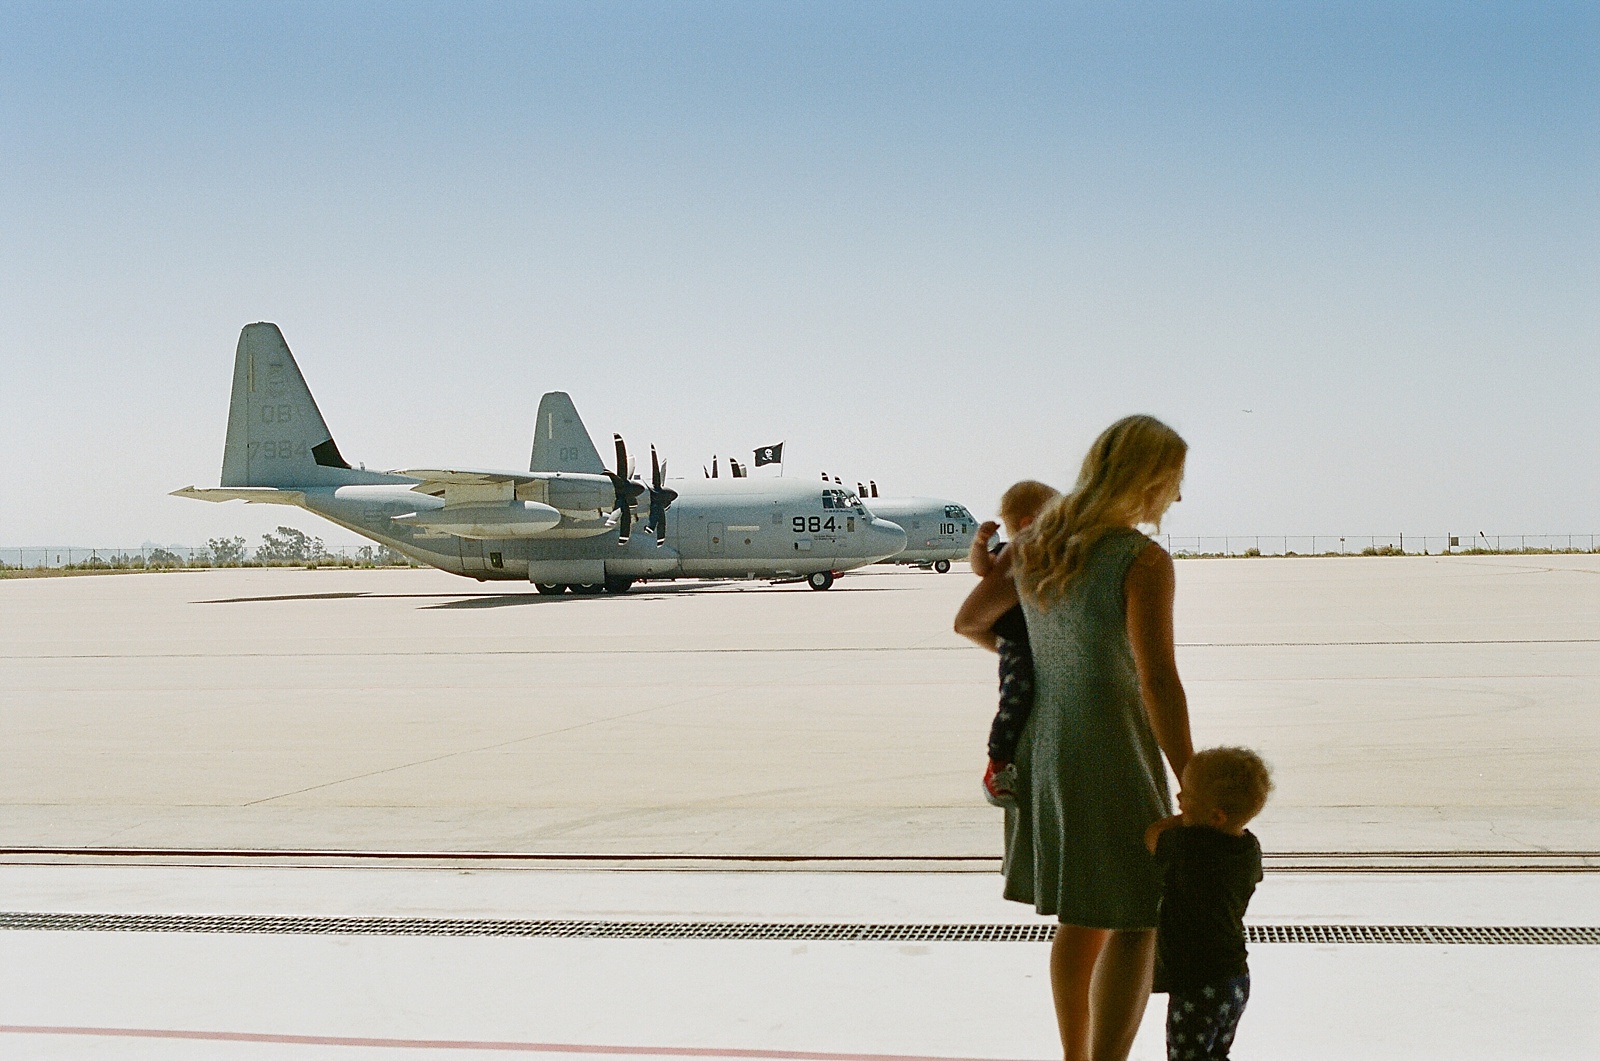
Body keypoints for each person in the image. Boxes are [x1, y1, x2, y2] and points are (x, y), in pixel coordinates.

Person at [954, 414, 1194, 1061]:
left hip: (1048, 743)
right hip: (1113, 741)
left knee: (1081, 912)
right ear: (1149, 477)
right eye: (1174, 481)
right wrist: (1190, 773)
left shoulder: (1036, 547)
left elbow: (971, 620)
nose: (1177, 497)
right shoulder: (1141, 559)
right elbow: (1158, 680)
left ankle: (1076, 1056)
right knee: (1139, 914)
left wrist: (1037, 657)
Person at [1143, 747, 1272, 1061]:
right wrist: (1192, 812)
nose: (1178, 798)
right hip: (1235, 978)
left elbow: (1152, 834)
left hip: (1198, 986)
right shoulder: (1249, 848)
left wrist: (1180, 820)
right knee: (1216, 1054)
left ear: (1216, 815)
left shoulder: (1189, 849)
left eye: (1186, 795)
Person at [969, 480, 1059, 807]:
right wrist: (980, 544)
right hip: (1016, 641)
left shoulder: (1049, 551)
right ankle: (998, 762)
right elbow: (982, 570)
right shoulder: (1009, 551)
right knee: (1016, 698)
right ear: (1029, 523)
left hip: (1039, 639)